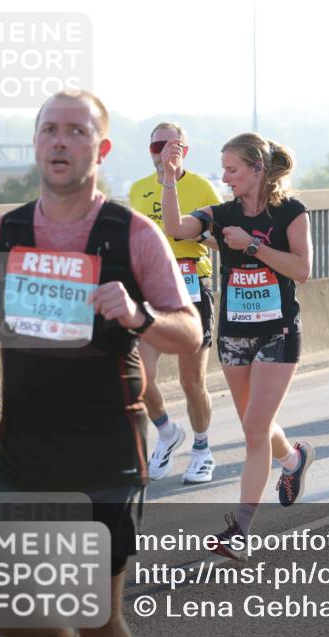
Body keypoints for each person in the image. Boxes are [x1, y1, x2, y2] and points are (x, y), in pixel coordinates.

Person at [0, 90, 200, 637]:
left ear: (102, 148)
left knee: (97, 614)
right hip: (25, 447)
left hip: (106, 447)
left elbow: (189, 331)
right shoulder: (4, 232)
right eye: (49, 129)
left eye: (75, 130)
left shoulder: (134, 234)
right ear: (37, 144)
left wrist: (140, 316)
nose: (59, 140)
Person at [161, 132, 314, 560]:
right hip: (234, 333)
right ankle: (293, 459)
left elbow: (302, 269)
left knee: (252, 429)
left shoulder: (291, 213)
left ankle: (241, 529)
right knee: (256, 423)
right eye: (224, 169)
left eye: (232, 169)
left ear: (258, 170)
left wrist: (252, 246)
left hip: (278, 333)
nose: (225, 177)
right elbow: (176, 230)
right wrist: (169, 179)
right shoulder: (221, 213)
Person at [129, 122, 223, 483]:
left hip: (191, 285)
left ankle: (202, 449)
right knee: (138, 375)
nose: (164, 151)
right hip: (149, 289)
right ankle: (167, 432)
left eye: (172, 145)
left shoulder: (201, 187)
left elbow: (219, 239)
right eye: (157, 146)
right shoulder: (138, 190)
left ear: (185, 150)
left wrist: (195, 232)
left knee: (191, 380)